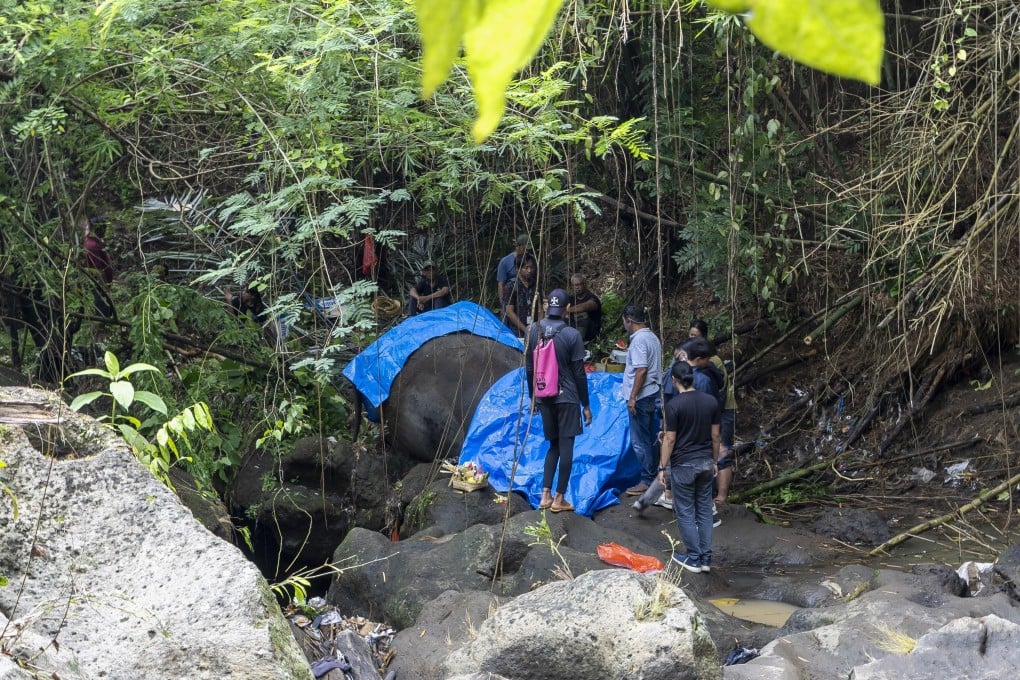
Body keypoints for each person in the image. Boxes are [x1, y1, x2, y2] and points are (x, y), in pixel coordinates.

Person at [526, 289, 592, 513]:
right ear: (567, 308)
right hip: (568, 397)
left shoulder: (533, 330)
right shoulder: (572, 335)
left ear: (547, 306)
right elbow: (579, 374)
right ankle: (559, 498)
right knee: (566, 447)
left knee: (553, 445)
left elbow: (529, 368)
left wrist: (532, 397)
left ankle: (545, 495)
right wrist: (586, 404)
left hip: (544, 396)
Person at [658, 361, 722, 573]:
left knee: (685, 512)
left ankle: (693, 558)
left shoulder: (674, 405)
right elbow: (715, 436)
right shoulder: (711, 401)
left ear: (674, 380)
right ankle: (705, 558)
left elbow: (669, 439)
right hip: (705, 463)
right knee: (704, 510)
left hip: (683, 464)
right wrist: (714, 461)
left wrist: (662, 467)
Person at [690, 319, 738, 506]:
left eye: (695, 335)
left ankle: (722, 496)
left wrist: (710, 420)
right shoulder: (699, 361)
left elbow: (720, 392)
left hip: (723, 411)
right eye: (690, 335)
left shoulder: (712, 361)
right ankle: (709, 493)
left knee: (721, 453)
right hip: (712, 412)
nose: (692, 338)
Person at [621, 304, 662, 496]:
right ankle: (653, 475)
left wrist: (632, 397)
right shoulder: (652, 337)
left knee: (640, 440)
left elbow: (642, 369)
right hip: (653, 392)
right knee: (650, 437)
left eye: (624, 322)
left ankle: (647, 479)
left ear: (629, 320)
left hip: (642, 395)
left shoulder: (639, 340)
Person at [502, 257, 539, 336]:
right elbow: (509, 312)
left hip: (534, 329)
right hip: (516, 332)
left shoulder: (535, 284)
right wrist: (525, 330)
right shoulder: (511, 286)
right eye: (526, 268)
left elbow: (540, 308)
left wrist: (539, 328)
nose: (529, 270)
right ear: (518, 269)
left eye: (531, 267)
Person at [565, 273, 602, 343]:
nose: (576, 287)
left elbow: (586, 306)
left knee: (582, 315)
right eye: (574, 285)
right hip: (573, 329)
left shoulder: (592, 298)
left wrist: (568, 310)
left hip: (590, 333)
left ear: (584, 284)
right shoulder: (571, 298)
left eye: (579, 284)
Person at [496, 235, 529, 308]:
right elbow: (501, 284)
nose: (526, 250)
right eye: (524, 248)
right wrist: (503, 304)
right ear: (518, 246)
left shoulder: (530, 259)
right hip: (511, 297)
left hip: (526, 296)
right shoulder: (505, 261)